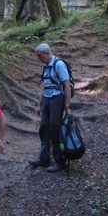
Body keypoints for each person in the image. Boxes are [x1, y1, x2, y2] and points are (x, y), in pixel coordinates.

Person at [28, 43, 71, 173]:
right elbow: (45, 86)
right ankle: (44, 158)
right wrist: (39, 105)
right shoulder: (45, 66)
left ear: (47, 53)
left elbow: (67, 86)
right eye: (37, 56)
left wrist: (67, 106)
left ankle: (60, 161)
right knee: (43, 127)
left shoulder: (59, 65)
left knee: (54, 128)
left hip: (57, 98)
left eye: (40, 55)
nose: (38, 58)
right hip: (47, 98)